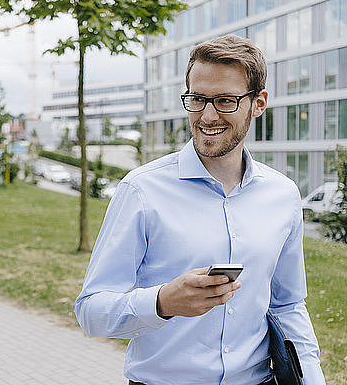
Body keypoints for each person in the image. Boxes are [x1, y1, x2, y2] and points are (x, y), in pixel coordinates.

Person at [75, 35, 325, 385]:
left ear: (259, 103)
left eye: (225, 100)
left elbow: (288, 307)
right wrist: (162, 302)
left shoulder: (283, 195)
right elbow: (91, 312)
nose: (207, 116)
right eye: (197, 99)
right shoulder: (141, 190)